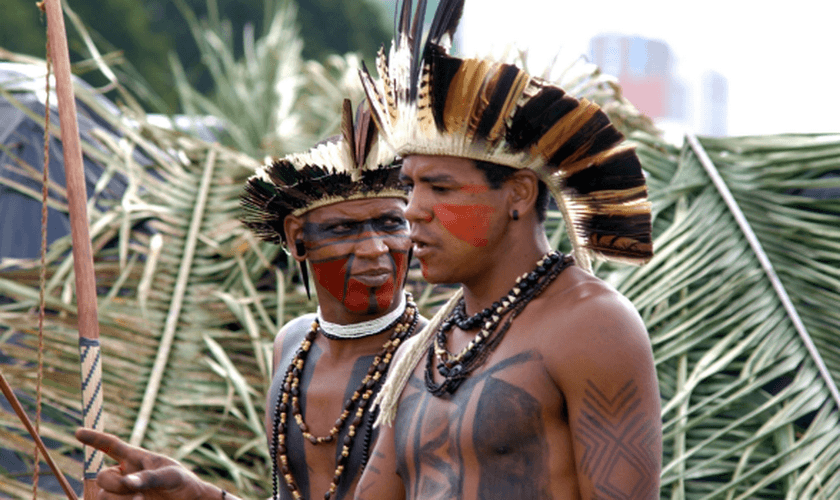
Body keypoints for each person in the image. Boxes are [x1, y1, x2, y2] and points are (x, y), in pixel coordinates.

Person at [353, 1, 662, 499]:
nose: (413, 210)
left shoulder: (592, 326)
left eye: (441, 187)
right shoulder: (418, 355)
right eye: (409, 187)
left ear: (518, 194)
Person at [76, 100, 427, 500]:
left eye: (391, 223)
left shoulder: (435, 358)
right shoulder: (293, 345)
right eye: (343, 229)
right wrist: (198, 494)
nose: (375, 248)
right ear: (297, 238)